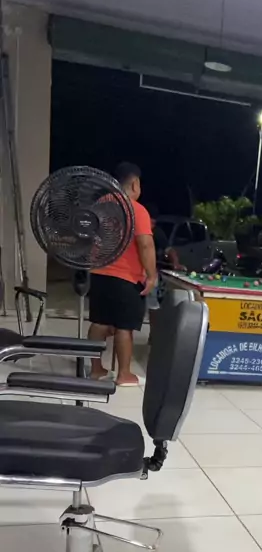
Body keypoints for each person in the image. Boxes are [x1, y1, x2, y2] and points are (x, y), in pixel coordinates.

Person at [88, 162, 156, 386]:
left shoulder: (100, 205)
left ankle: (96, 370)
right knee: (124, 326)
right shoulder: (136, 209)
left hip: (98, 273)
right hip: (126, 278)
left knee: (99, 322)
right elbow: (145, 244)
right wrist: (151, 275)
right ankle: (124, 374)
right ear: (134, 184)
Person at [145, 205, 182, 337]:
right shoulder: (135, 229)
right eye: (150, 221)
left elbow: (169, 250)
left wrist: (175, 263)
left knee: (153, 305)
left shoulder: (157, 233)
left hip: (150, 272)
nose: (152, 225)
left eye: (153, 222)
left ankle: (153, 335)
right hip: (132, 272)